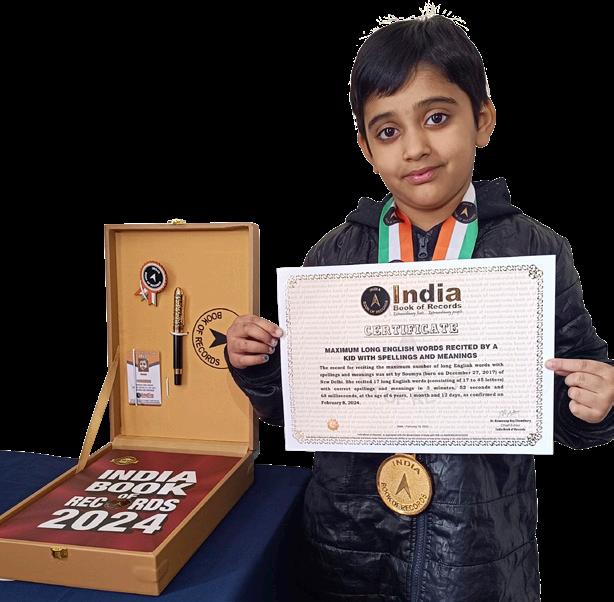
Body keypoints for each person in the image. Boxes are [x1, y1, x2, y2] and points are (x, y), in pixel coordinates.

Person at [223, 5, 614, 601]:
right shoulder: (332, 257)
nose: (415, 148)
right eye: (388, 131)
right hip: (348, 544)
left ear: (483, 120)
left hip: (477, 553)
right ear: (365, 148)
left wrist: (597, 403)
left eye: (437, 117)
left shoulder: (536, 252)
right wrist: (259, 365)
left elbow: (570, 413)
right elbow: (292, 410)